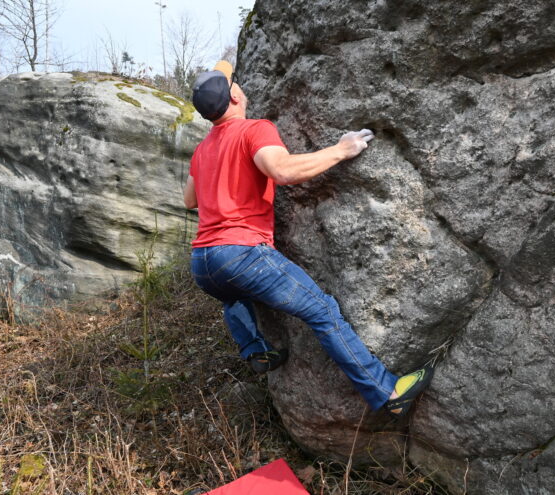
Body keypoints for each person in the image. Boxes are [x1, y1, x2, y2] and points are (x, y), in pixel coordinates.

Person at [184, 61, 432, 419]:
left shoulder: (201, 149)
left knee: (231, 294)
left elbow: (188, 201)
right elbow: (282, 170)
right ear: (235, 95)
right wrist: (341, 150)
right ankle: (386, 391)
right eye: (233, 83)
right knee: (322, 311)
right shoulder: (255, 129)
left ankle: (255, 350)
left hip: (203, 262)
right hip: (241, 252)